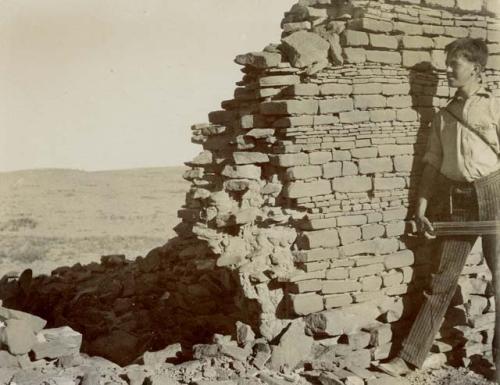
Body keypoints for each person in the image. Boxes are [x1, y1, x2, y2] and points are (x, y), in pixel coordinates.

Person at [377, 37, 500, 382]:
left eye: (454, 64)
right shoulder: (443, 116)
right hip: (457, 201)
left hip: (495, 193)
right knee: (441, 281)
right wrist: (421, 207)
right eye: (446, 63)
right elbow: (432, 164)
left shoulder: (494, 107)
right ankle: (408, 359)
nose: (447, 69)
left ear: (475, 68)